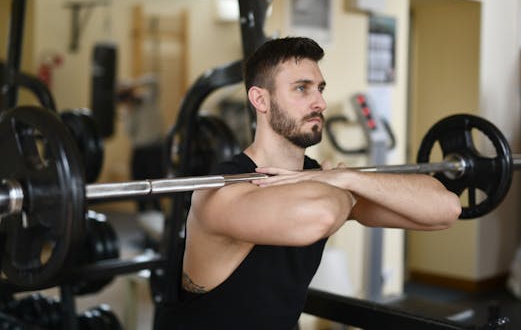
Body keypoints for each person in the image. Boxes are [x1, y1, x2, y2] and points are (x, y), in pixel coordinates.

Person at [154, 37, 461, 329]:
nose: (320, 103)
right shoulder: (221, 192)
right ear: (260, 99)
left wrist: (349, 177)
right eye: (302, 89)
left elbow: (445, 209)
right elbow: (321, 217)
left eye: (320, 88)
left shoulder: (323, 179)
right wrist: (343, 186)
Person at [116, 74, 165, 212]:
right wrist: (129, 110)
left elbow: (154, 81)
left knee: (156, 186)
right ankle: (142, 216)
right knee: (138, 185)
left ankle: (158, 216)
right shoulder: (128, 110)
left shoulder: (149, 98)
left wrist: (133, 83)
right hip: (139, 151)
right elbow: (129, 132)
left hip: (155, 149)